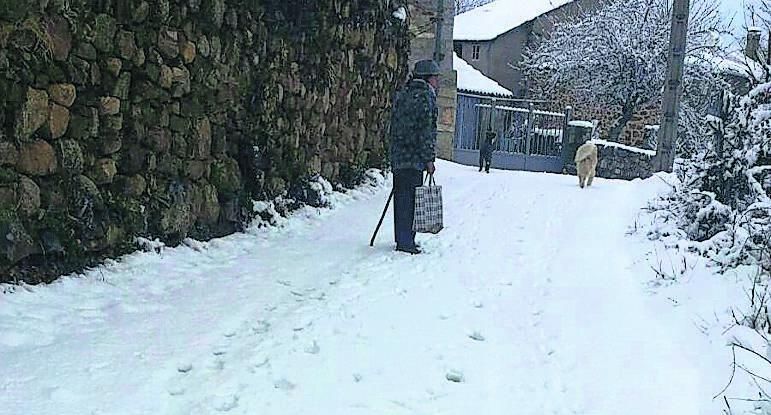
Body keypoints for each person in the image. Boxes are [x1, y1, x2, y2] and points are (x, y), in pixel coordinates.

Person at [388, 59, 439, 255]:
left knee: (401, 198)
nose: (437, 82)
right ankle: (407, 241)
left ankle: (402, 238)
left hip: (399, 155)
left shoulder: (403, 93)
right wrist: (429, 159)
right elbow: (425, 130)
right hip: (414, 158)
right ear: (427, 78)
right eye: (435, 78)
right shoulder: (426, 96)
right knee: (411, 201)